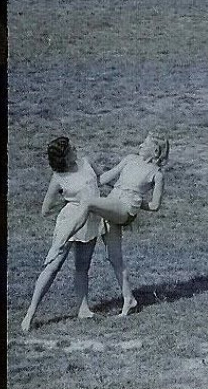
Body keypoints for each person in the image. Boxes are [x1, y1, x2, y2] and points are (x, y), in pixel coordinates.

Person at [21, 136, 129, 332]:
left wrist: (121, 181)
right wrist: (68, 204)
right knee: (53, 266)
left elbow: (99, 180)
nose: (75, 148)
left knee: (82, 266)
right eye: (71, 148)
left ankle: (83, 308)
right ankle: (30, 313)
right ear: (64, 156)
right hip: (69, 221)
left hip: (90, 220)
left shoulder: (86, 162)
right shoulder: (58, 177)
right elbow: (45, 208)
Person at [44, 132, 168, 259]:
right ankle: (123, 279)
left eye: (145, 144)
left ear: (155, 150)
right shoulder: (130, 158)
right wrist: (87, 183)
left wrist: (135, 200)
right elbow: (106, 178)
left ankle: (59, 243)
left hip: (124, 210)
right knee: (116, 260)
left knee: (88, 202)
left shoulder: (157, 174)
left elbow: (154, 206)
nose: (140, 145)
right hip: (112, 205)